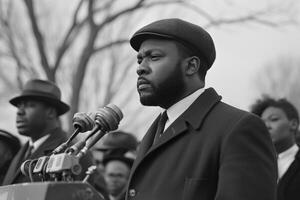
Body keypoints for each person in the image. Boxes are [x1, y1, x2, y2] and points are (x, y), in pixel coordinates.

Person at [126, 18, 277, 200]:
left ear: (191, 66)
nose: (141, 68)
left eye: (154, 57)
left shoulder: (238, 129)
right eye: (140, 59)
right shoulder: (153, 134)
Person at [2, 79, 94, 185]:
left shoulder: (75, 153)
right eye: (19, 106)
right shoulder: (21, 152)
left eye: (29, 105)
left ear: (50, 112)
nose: (20, 112)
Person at [251, 97, 300, 200]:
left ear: (294, 124)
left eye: (274, 119)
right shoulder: (255, 165)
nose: (266, 126)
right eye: (262, 122)